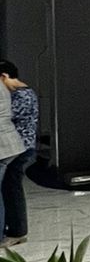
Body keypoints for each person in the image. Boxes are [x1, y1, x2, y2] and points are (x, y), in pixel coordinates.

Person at [0, 60, 37, 247]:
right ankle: (15, 229)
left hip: (20, 148)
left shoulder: (22, 95)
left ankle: (17, 231)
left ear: (4, 76)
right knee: (10, 188)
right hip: (18, 147)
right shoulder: (21, 93)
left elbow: (6, 116)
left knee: (12, 189)